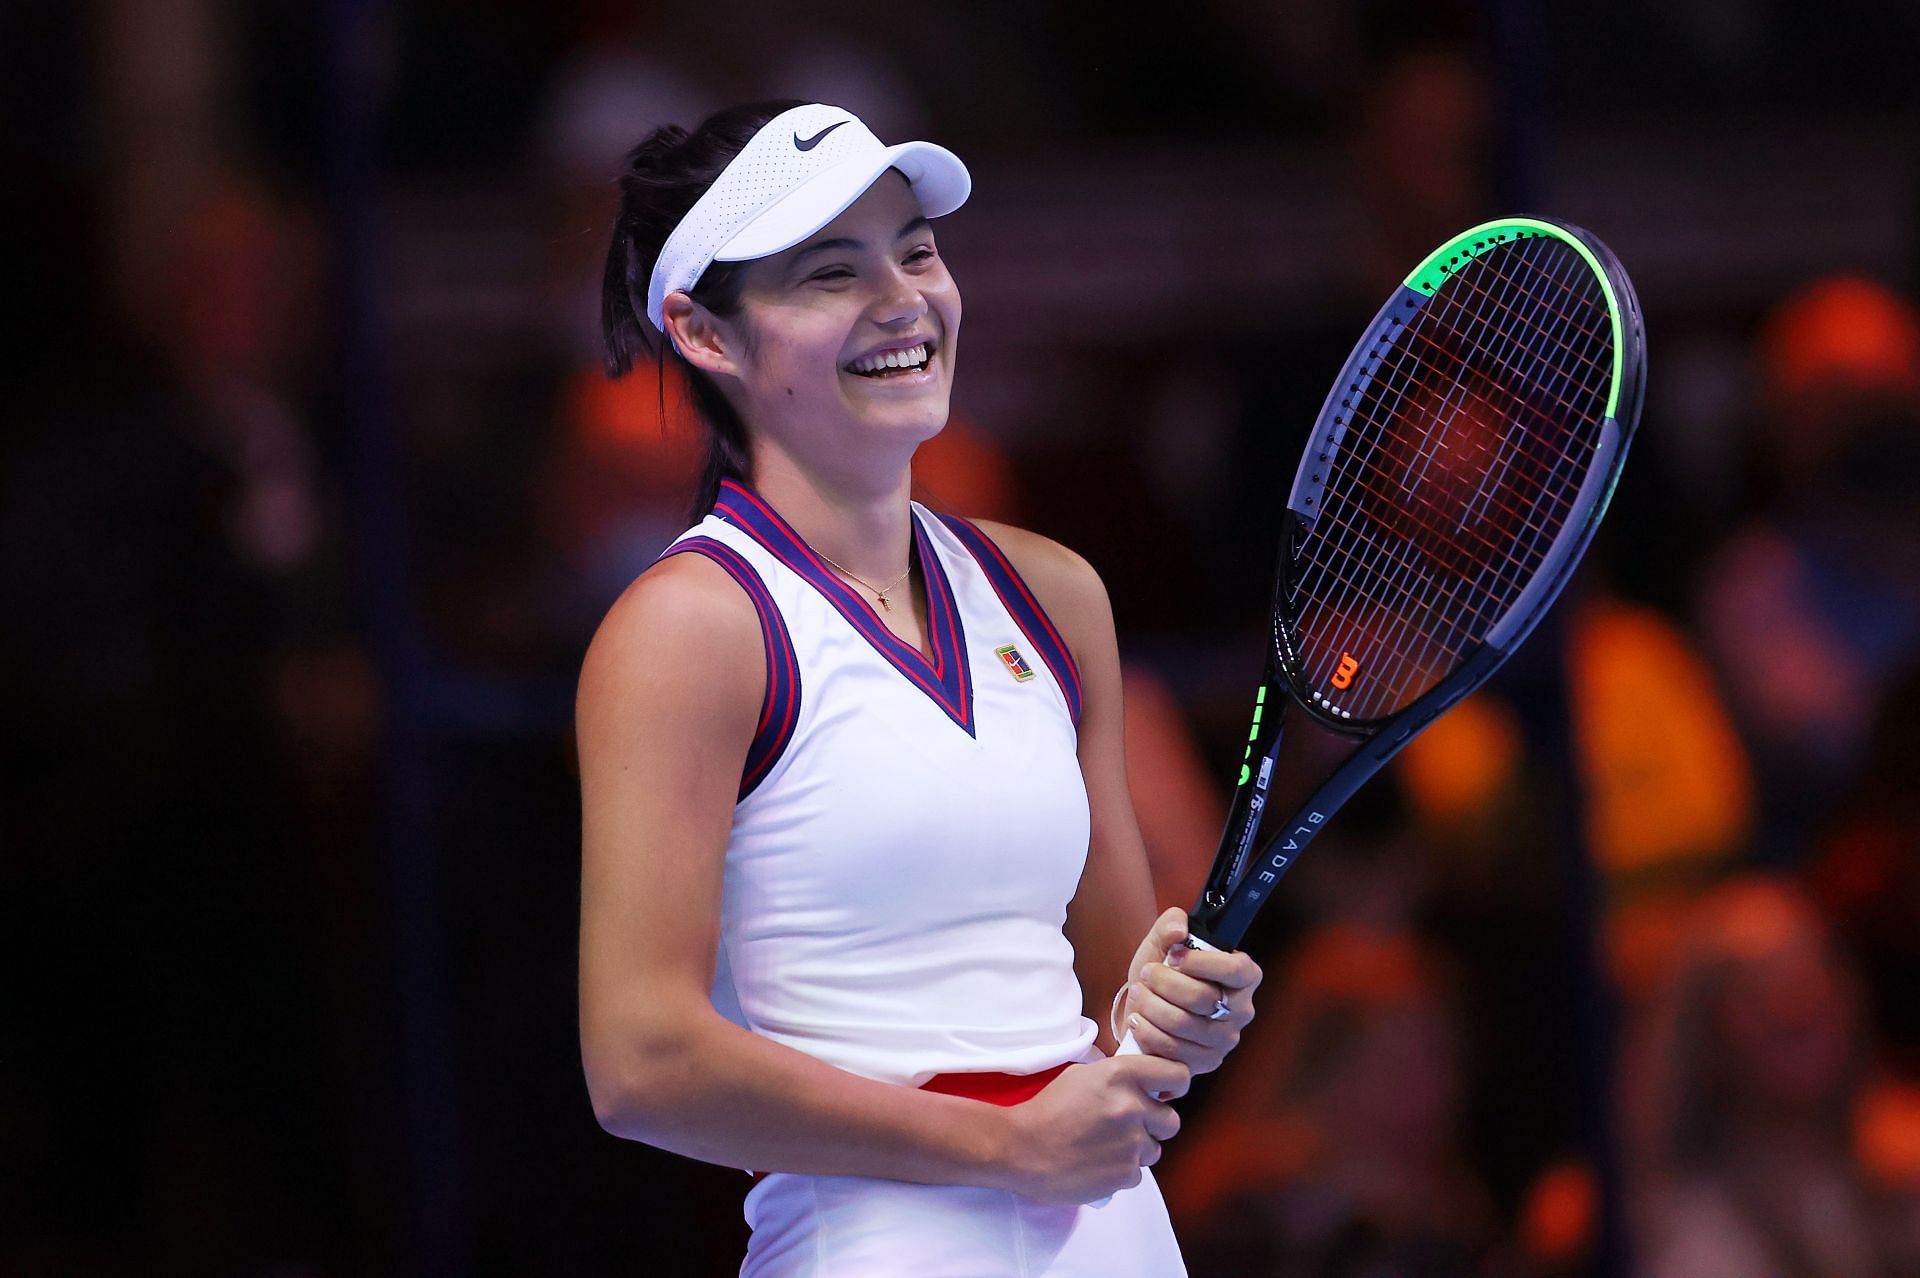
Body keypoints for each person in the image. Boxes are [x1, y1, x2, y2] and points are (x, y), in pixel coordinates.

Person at [574, 101, 1263, 1276]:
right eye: (831, 273)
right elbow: (640, 1063)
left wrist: (1178, 1011)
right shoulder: (689, 630)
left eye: (918, 251)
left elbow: (1112, 1000)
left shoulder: (1054, 593)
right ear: (703, 333)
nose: (903, 301)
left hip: (1117, 1238)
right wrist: (1006, 1148)